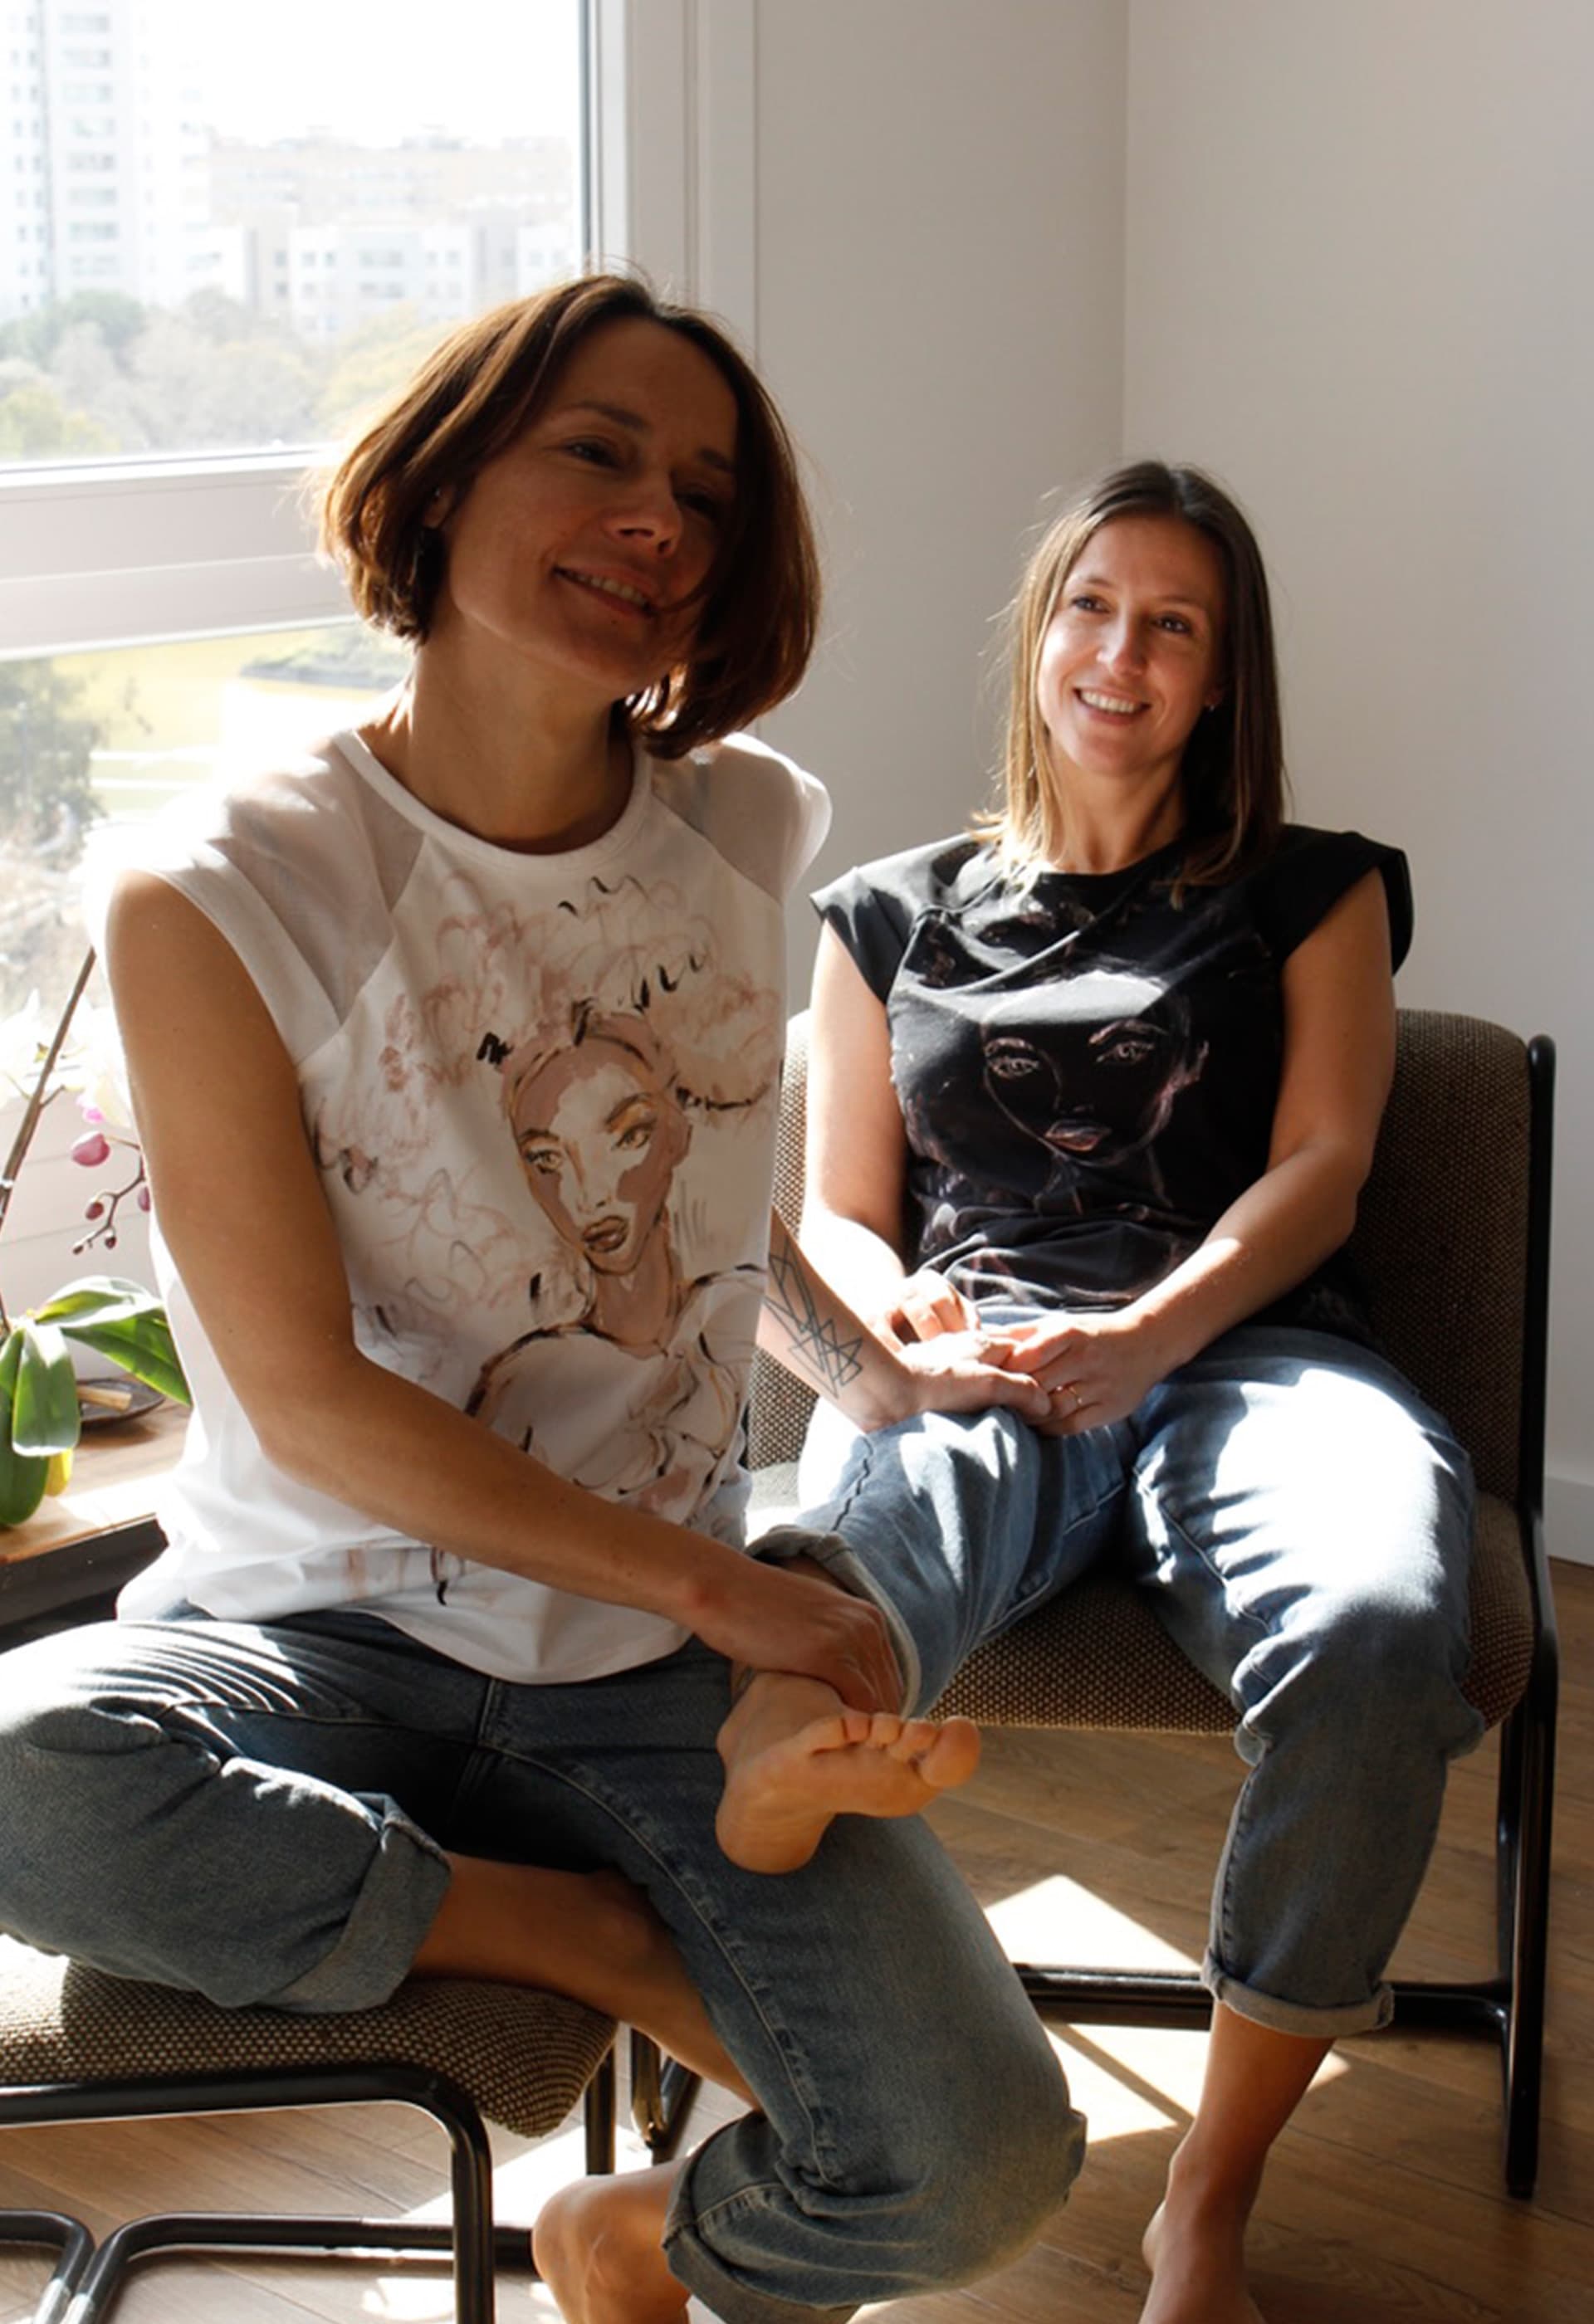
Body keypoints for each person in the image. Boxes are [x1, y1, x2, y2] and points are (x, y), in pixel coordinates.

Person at [0, 276, 1081, 2324]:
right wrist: (727, 1593)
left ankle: (633, 2230)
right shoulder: (224, 889)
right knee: (22, 1773)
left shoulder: (752, 828)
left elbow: (709, 1218)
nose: (659, 515)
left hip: (648, 1658)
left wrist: (879, 1371)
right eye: (598, 449)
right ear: (445, 474)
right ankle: (581, 1936)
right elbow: (305, 1401)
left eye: (707, 490)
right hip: (310, 1636)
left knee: (980, 2162)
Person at [731, 461, 1480, 2324]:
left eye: (1173, 624)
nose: (1119, 653)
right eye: (1090, 606)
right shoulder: (882, 913)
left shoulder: (1316, 892)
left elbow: (1322, 1165)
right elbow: (837, 1208)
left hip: (1254, 1353)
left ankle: (1203, 2203)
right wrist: (903, 1321)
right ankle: (833, 2118)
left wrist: (1152, 1330)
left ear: (1224, 676)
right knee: (816, 1610)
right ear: (1038, 632)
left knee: (1385, 1619)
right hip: (972, 1360)